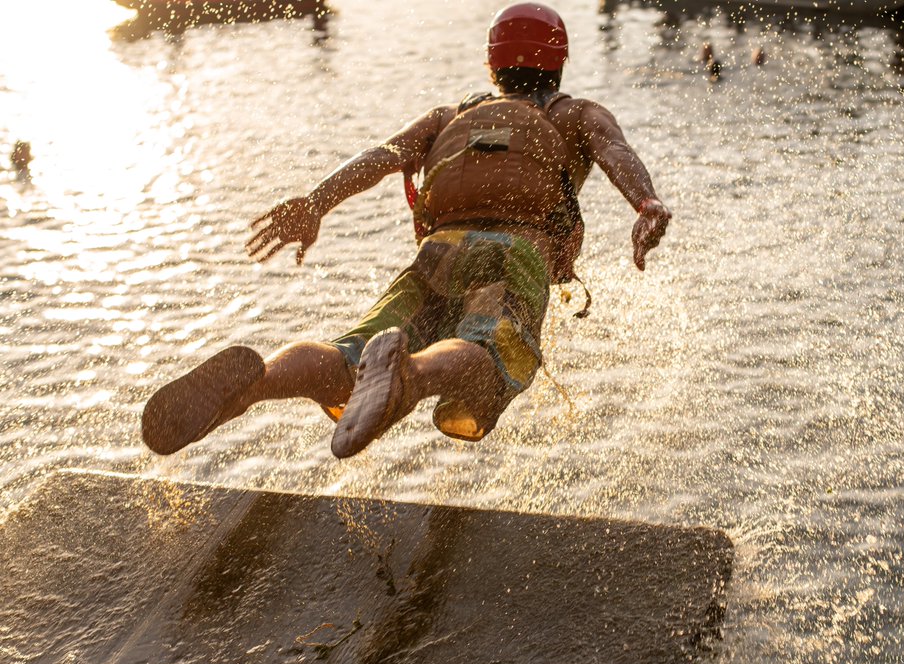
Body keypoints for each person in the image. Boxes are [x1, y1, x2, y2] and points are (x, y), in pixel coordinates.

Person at [141, 2, 672, 459]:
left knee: (350, 356)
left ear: (493, 64)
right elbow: (614, 151)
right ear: (558, 64)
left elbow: (382, 155)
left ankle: (259, 381)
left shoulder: (450, 116)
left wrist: (316, 203)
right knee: (488, 359)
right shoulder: (575, 113)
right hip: (514, 254)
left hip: (437, 254)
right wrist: (645, 203)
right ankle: (410, 376)